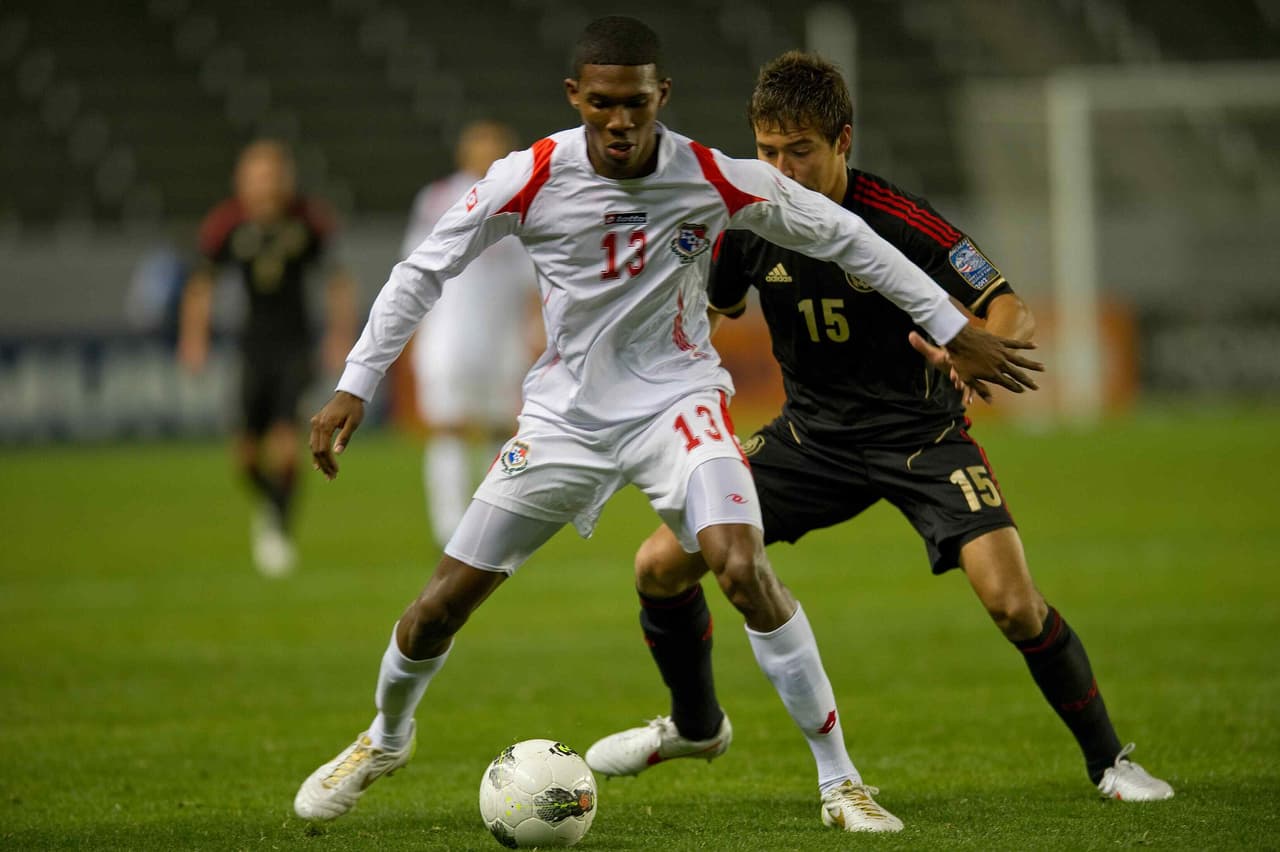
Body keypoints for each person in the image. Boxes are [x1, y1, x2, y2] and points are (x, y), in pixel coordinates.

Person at [294, 17, 1039, 833]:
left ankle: (841, 783)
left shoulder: (711, 177)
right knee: (438, 606)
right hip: (564, 418)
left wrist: (954, 323)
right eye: (603, 105)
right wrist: (356, 384)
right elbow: (422, 269)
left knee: (740, 564)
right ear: (577, 97)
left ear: (662, 97)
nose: (621, 123)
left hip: (677, 406)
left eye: (638, 105)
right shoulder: (530, 174)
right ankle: (384, 739)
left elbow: (849, 236)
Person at [584, 51, 1173, 807]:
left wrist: (976, 347)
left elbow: (1005, 305)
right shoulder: (751, 222)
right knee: (659, 565)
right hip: (809, 440)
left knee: (1012, 603)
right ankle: (697, 725)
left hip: (921, 438)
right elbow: (705, 312)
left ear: (844, 143)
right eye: (767, 151)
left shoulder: (899, 220)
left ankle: (1109, 762)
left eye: (801, 150)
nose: (782, 168)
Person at [178, 139, 357, 577]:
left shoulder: (308, 221)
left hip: (296, 348)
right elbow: (201, 285)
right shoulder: (227, 224)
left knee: (285, 446)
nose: (266, 186)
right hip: (251, 348)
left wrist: (340, 336)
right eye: (257, 177)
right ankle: (271, 508)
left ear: (286, 179)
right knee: (244, 457)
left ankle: (277, 529)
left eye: (273, 176)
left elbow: (338, 282)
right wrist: (194, 338)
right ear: (242, 182)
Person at [401, 121, 539, 547]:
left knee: (502, 428)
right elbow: (414, 267)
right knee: (449, 427)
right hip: (449, 333)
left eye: (496, 148)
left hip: (503, 337)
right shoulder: (440, 199)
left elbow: (532, 278)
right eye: (480, 147)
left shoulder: (524, 199)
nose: (488, 155)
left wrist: (536, 330)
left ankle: (491, 522)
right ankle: (448, 526)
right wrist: (409, 330)